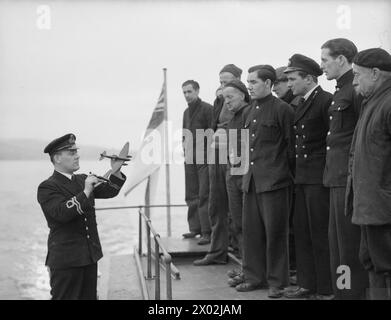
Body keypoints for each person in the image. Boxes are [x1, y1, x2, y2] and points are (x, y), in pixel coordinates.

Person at [229, 65, 294, 298]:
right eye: (248, 82)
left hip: (275, 182)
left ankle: (277, 281)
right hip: (251, 182)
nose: (249, 86)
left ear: (268, 83)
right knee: (251, 233)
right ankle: (254, 277)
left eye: (254, 82)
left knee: (276, 234)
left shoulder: (283, 110)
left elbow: (291, 148)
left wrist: (280, 174)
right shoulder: (249, 111)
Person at [37, 133, 126, 300]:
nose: (77, 156)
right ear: (57, 158)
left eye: (76, 151)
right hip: (66, 262)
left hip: (89, 256)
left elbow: (110, 191)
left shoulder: (82, 179)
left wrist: (116, 170)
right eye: (71, 153)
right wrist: (86, 192)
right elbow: (62, 213)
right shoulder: (47, 187)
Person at [320, 38, 368, 300]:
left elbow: (360, 136)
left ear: (341, 59)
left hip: (347, 178)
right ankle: (342, 292)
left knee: (348, 244)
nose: (322, 66)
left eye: (325, 60)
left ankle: (350, 294)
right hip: (335, 176)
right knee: (337, 243)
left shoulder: (355, 89)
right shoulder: (341, 89)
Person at [283, 54, 334, 300]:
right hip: (302, 178)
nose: (290, 84)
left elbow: (331, 143)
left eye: (293, 79)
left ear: (309, 78)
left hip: (318, 179)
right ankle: (306, 284)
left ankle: (325, 288)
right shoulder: (300, 103)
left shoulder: (326, 101)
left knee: (319, 233)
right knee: (302, 231)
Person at [347, 48, 391, 300]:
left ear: (375, 73)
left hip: (383, 208)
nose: (354, 81)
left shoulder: (387, 102)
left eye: (357, 75)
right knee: (372, 262)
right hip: (370, 206)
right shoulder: (373, 102)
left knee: (385, 265)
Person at [193, 65, 242, 264]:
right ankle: (217, 251)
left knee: (236, 208)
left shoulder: (243, 103)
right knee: (216, 204)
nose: (222, 86)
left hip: (234, 155)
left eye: (227, 81)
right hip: (216, 154)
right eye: (220, 82)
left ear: (238, 79)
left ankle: (241, 253)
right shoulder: (218, 101)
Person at [182, 80, 213, 245]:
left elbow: (213, 133)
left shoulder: (208, 109)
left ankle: (207, 231)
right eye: (184, 92)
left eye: (189, 92)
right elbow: (184, 134)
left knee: (204, 194)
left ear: (197, 91)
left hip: (204, 159)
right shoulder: (186, 113)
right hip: (190, 159)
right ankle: (195, 228)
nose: (187, 95)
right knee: (191, 194)